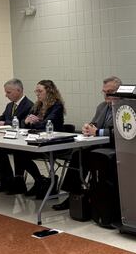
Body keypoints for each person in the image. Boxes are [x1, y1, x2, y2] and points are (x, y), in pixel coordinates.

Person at [52, 77, 121, 211]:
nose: (106, 95)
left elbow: (119, 132)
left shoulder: (124, 107)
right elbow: (94, 124)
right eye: (104, 91)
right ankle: (73, 195)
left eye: (110, 91)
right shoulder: (102, 106)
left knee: (89, 157)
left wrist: (98, 132)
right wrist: (87, 128)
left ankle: (91, 196)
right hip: (98, 145)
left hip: (114, 147)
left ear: (120, 91)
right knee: (78, 155)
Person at [14, 79, 66, 198]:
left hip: (54, 142)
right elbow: (24, 123)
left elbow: (48, 124)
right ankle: (39, 180)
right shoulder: (37, 105)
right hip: (38, 139)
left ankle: (41, 182)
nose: (37, 94)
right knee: (19, 152)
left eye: (40, 91)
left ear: (49, 91)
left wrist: (35, 122)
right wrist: (27, 121)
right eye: (36, 91)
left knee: (22, 154)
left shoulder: (57, 105)